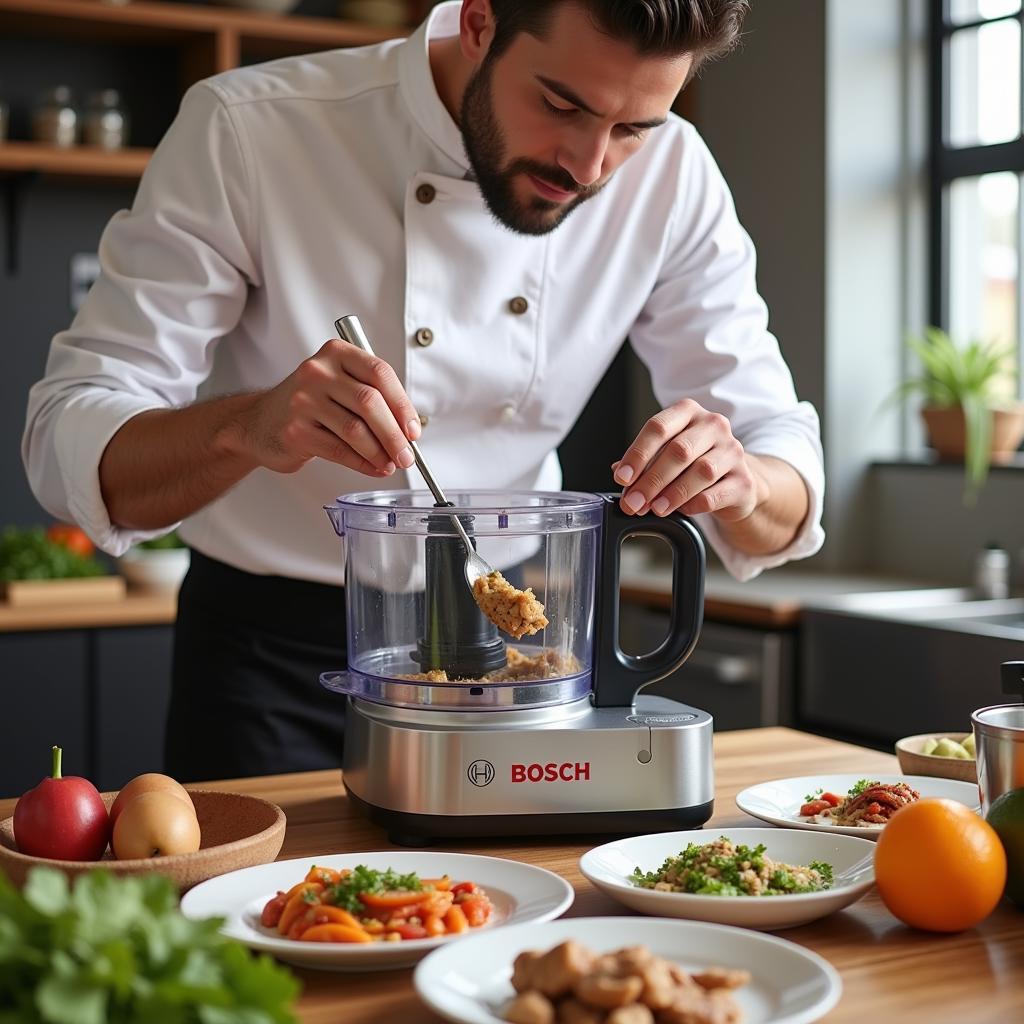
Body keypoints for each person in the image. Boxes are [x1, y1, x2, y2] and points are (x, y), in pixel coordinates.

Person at [23, 0, 824, 782]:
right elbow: (72, 439)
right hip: (268, 664)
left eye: (631, 130)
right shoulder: (251, 128)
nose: (587, 167)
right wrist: (251, 427)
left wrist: (739, 479)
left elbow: (779, 471)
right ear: (479, 23)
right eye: (560, 104)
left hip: (513, 661)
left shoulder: (674, 174)